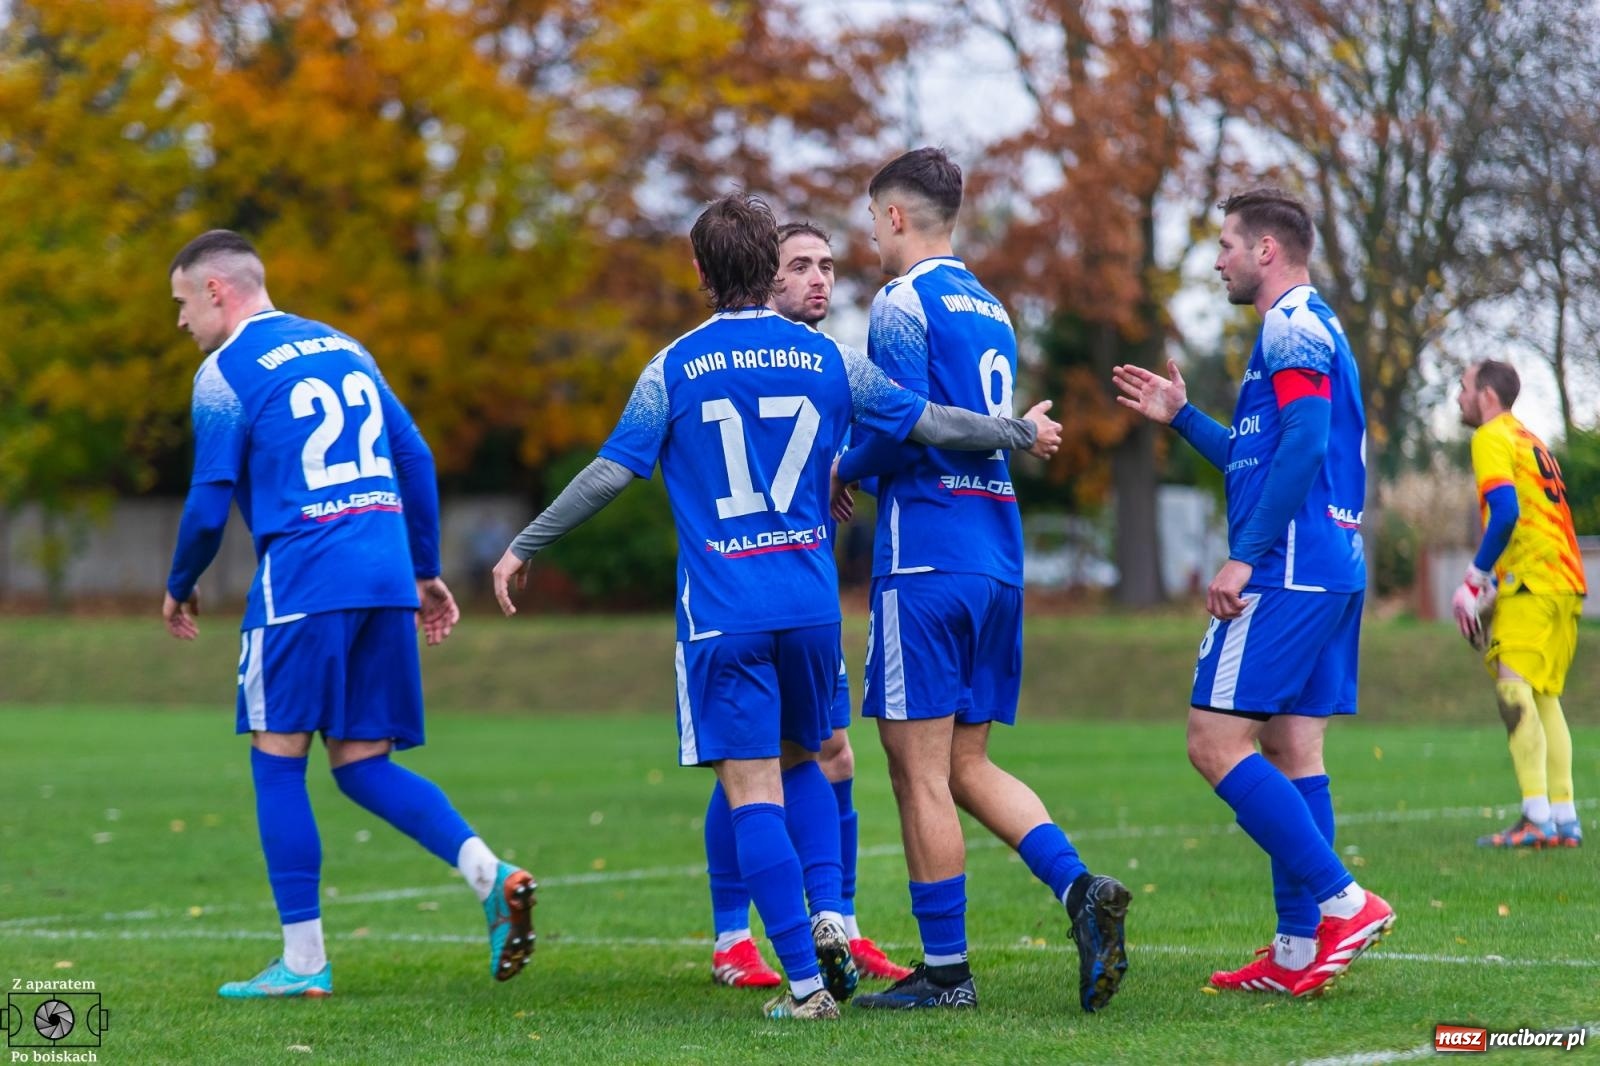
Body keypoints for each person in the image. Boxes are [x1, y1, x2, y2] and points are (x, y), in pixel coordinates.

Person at [490, 192, 1062, 1020]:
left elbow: (612, 472)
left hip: (727, 611)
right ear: (768, 267)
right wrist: (1014, 432)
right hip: (810, 606)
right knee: (817, 759)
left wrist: (525, 545)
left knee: (752, 784)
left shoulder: (674, 366)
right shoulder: (825, 357)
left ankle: (801, 984)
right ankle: (833, 914)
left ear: (699, 271)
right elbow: (933, 422)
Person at [161, 230, 535, 998]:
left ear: (216, 292)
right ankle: (489, 874)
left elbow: (206, 500)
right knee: (363, 764)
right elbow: (418, 457)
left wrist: (180, 581)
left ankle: (303, 963)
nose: (180, 323)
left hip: (304, 580)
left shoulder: (222, 373)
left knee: (277, 756)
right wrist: (426, 569)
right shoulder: (345, 347)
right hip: (384, 574)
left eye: (180, 304)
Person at [832, 147, 1130, 1014]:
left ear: (894, 216)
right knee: (965, 762)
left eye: (871, 219)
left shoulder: (901, 299)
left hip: (926, 557)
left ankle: (947, 975)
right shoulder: (990, 305)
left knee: (913, 765)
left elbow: (903, 424)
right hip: (998, 559)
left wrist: (842, 467)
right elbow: (979, 423)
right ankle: (1081, 892)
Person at [1112, 187, 1393, 998]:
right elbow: (1262, 451)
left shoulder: (1290, 322)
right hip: (1331, 564)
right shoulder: (1307, 329)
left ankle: (1344, 902)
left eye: (1228, 244)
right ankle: (1300, 950)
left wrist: (1246, 556)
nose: (1218, 259)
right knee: (1292, 749)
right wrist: (1182, 417)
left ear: (1267, 250)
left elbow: (1304, 443)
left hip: (1290, 568)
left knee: (1212, 740)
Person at [702, 222, 913, 990]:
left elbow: (881, 433)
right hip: (741, 596)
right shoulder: (722, 362)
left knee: (830, 754)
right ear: (764, 279)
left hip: (807, 597)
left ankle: (839, 926)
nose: (819, 280)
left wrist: (840, 468)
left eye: (827, 265)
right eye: (799, 267)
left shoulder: (824, 366)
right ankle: (734, 938)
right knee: (748, 771)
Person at [1452, 360, 1586, 848]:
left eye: (1463, 387)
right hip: (1566, 581)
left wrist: (1473, 580)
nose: (1458, 397)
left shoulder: (1490, 436)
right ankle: (1564, 818)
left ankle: (1535, 818)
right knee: (1544, 698)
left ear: (1487, 394)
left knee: (1513, 693)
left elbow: (1505, 511)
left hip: (1532, 582)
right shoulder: (1530, 438)